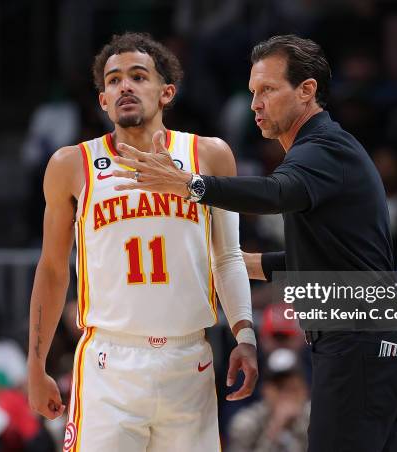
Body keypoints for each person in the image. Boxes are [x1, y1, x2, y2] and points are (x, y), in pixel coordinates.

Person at [111, 34, 397, 452]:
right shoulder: (329, 152)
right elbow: (329, 259)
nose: (255, 103)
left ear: (307, 91)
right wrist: (240, 263)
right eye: (253, 92)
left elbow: (277, 194)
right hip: (374, 341)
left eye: (268, 90)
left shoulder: (323, 147)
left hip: (356, 341)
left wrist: (192, 185)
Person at [26, 32, 258, 452]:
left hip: (189, 360)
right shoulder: (70, 165)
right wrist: (35, 364)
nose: (124, 87)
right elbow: (54, 269)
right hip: (109, 362)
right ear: (102, 100)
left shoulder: (209, 155)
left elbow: (227, 256)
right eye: (113, 81)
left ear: (166, 91)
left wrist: (245, 334)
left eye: (138, 76)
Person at [228, 348, 310, 452]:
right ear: (265, 390)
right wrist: (275, 430)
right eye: (280, 387)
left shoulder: (316, 418)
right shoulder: (247, 422)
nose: (287, 395)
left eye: (293, 387)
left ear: (305, 390)